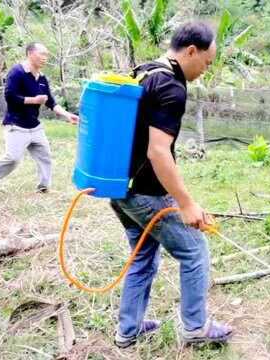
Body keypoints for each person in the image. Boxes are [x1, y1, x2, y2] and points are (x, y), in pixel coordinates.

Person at [110, 21, 232, 348]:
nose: (206, 70)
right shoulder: (172, 88)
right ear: (191, 51)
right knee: (194, 250)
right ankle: (195, 328)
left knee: (142, 255)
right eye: (206, 62)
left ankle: (129, 329)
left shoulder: (147, 70)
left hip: (119, 188)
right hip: (144, 194)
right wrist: (186, 203)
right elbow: (158, 152)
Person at [0, 42, 79, 194]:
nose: (45, 58)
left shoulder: (42, 78)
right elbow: (10, 96)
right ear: (30, 54)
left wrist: (67, 115)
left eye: (46, 55)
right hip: (16, 125)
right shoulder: (17, 72)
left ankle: (43, 187)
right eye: (41, 54)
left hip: (34, 126)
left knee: (45, 157)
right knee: (13, 158)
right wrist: (34, 100)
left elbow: (50, 102)